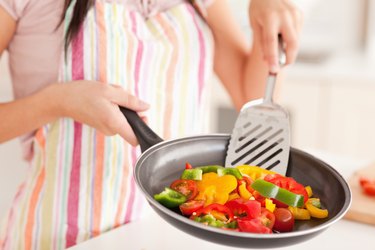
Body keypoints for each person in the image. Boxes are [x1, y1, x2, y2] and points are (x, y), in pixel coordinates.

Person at [0, 0, 302, 249]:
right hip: (62, 236)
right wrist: (58, 101)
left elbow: (250, 94)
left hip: (176, 235)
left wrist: (268, 20)